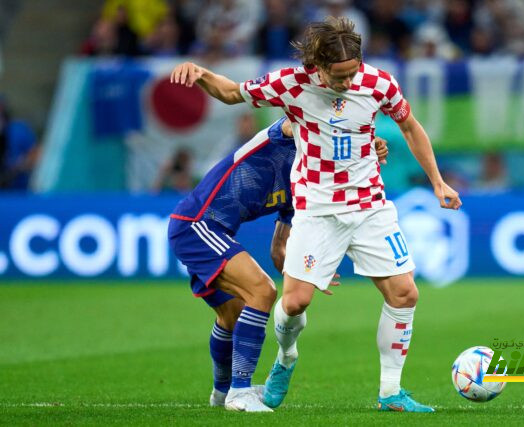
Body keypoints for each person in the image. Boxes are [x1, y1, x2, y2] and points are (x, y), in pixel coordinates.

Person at [169, 16, 461, 412]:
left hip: (370, 205)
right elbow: (233, 92)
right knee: (293, 304)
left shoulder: (379, 84)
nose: (346, 83)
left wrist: (438, 181)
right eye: (337, 76)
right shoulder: (291, 84)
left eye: (352, 73)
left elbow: (409, 126)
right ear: (317, 67)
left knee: (405, 292)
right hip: (317, 209)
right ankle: (285, 358)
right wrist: (202, 73)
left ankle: (391, 392)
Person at [168, 117, 389, 412]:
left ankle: (222, 393)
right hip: (197, 224)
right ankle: (240, 391)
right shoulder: (289, 135)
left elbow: (279, 250)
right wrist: (361, 141)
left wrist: (309, 271)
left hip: (209, 228)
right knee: (262, 291)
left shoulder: (303, 186)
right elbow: (296, 123)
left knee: (232, 314)